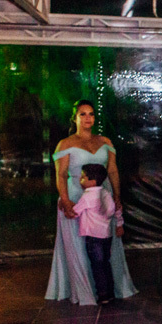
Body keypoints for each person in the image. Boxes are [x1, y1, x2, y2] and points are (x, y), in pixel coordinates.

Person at [46, 100, 137, 307]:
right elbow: (60, 174)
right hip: (76, 197)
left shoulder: (105, 141)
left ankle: (108, 289)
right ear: (75, 118)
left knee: (104, 245)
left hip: (101, 199)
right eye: (83, 114)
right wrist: (66, 200)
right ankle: (85, 289)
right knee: (79, 246)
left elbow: (113, 171)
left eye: (91, 114)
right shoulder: (66, 143)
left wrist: (116, 196)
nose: (88, 118)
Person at [71, 163, 124, 305]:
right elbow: (116, 208)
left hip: (93, 237)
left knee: (97, 266)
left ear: (92, 181)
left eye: (83, 177)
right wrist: (119, 224)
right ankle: (110, 293)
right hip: (107, 235)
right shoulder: (106, 193)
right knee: (105, 264)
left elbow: (75, 212)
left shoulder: (87, 196)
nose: (80, 180)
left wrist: (66, 207)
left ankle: (103, 295)